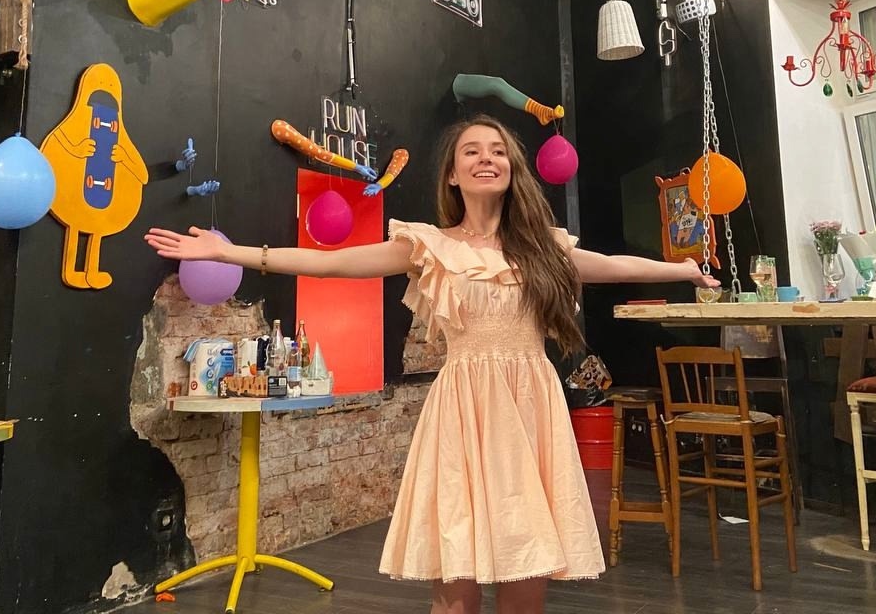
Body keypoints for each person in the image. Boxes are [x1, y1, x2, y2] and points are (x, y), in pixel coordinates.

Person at [145, 114, 720, 614]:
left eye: (498, 151)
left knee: (527, 565)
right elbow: (334, 263)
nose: (486, 159)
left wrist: (683, 270)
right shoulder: (428, 246)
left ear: (513, 169)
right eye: (472, 151)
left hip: (530, 409)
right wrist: (231, 252)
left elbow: (614, 266)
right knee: (456, 576)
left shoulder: (544, 247)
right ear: (452, 174)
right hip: (462, 412)